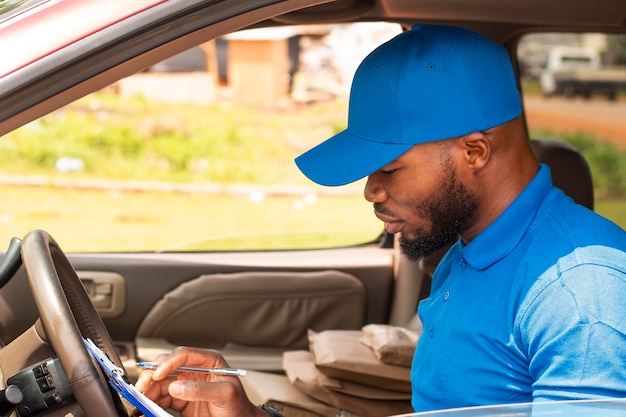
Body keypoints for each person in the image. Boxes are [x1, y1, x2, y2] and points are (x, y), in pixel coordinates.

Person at [135, 23, 626, 416]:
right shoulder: (468, 252)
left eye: (390, 168)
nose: (371, 190)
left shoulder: (581, 293)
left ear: (474, 151)